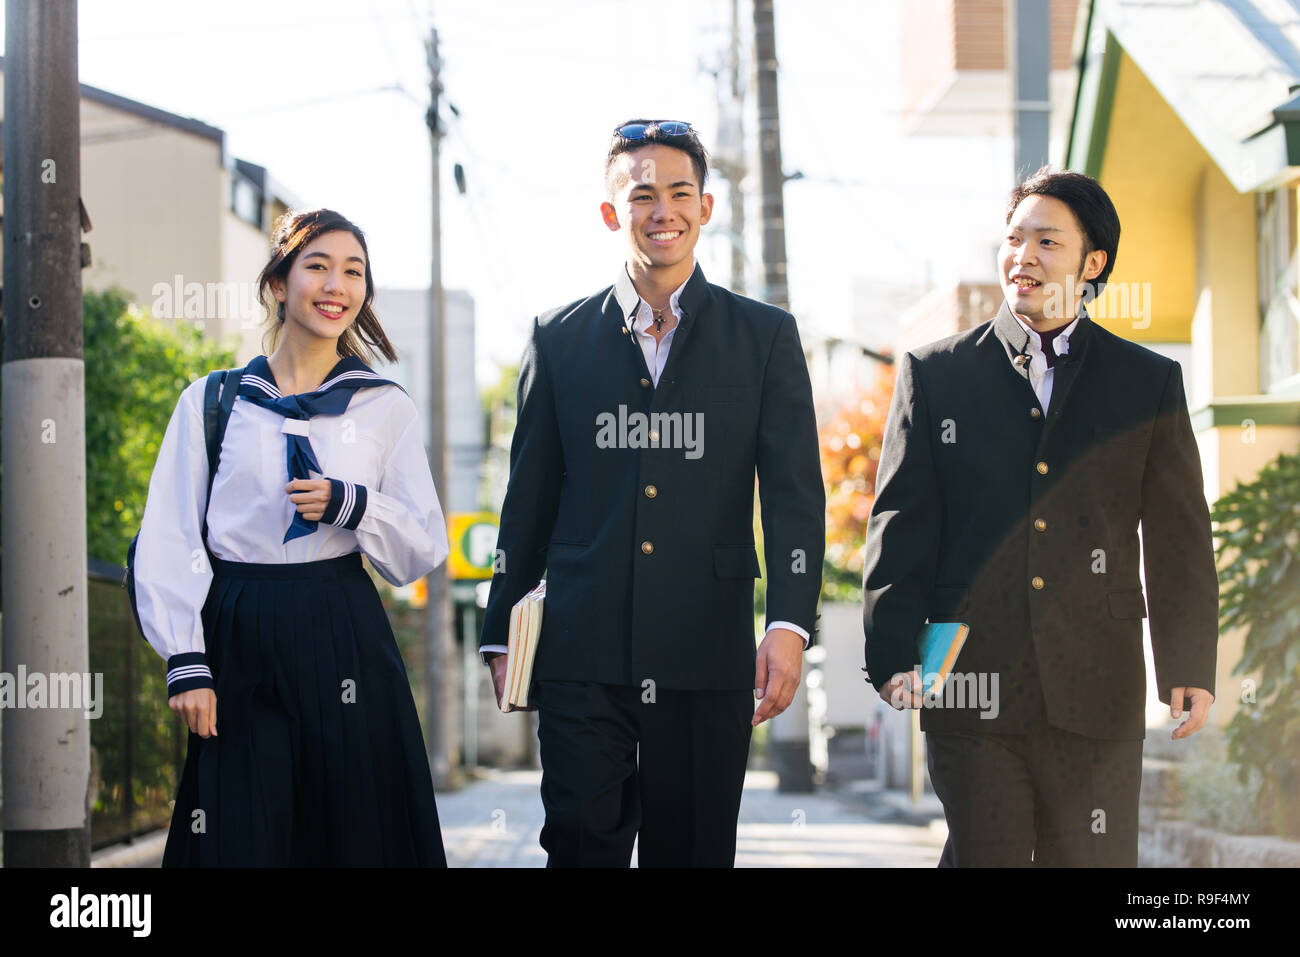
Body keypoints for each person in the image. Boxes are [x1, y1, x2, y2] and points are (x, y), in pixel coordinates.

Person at [479, 120, 825, 867]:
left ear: (705, 207)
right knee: (577, 843)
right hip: (581, 647)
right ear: (612, 212)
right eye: (642, 194)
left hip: (708, 647)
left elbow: (794, 496)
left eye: (678, 193)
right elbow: (528, 494)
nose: (661, 210)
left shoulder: (764, 337)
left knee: (694, 852)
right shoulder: (556, 338)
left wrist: (791, 623)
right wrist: (501, 620)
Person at [862, 168, 1219, 867]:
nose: (1022, 256)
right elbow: (902, 522)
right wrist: (891, 653)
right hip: (970, 685)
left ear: (1092, 263)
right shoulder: (936, 375)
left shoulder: (1146, 384)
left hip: (1098, 685)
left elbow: (1179, 536)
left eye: (1046, 241)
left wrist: (1187, 663)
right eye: (1013, 238)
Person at [135, 208, 450, 866]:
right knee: (235, 832)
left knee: (350, 831)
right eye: (318, 266)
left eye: (353, 271)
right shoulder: (212, 402)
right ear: (278, 283)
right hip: (237, 631)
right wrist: (185, 659)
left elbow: (421, 543)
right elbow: (168, 533)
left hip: (342, 629)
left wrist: (352, 504)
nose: (337, 284)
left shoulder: (383, 406)